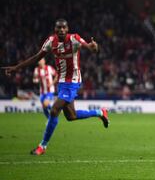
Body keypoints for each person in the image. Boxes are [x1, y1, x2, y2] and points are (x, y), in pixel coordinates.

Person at [2, 19, 109, 156]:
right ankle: (100, 112)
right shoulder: (50, 42)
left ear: (67, 28)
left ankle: (42, 146)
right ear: (55, 29)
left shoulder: (74, 38)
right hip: (62, 83)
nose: (61, 30)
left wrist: (94, 47)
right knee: (71, 116)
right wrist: (16, 67)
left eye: (64, 27)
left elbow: (90, 47)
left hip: (73, 81)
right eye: (59, 28)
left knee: (54, 110)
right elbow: (36, 57)